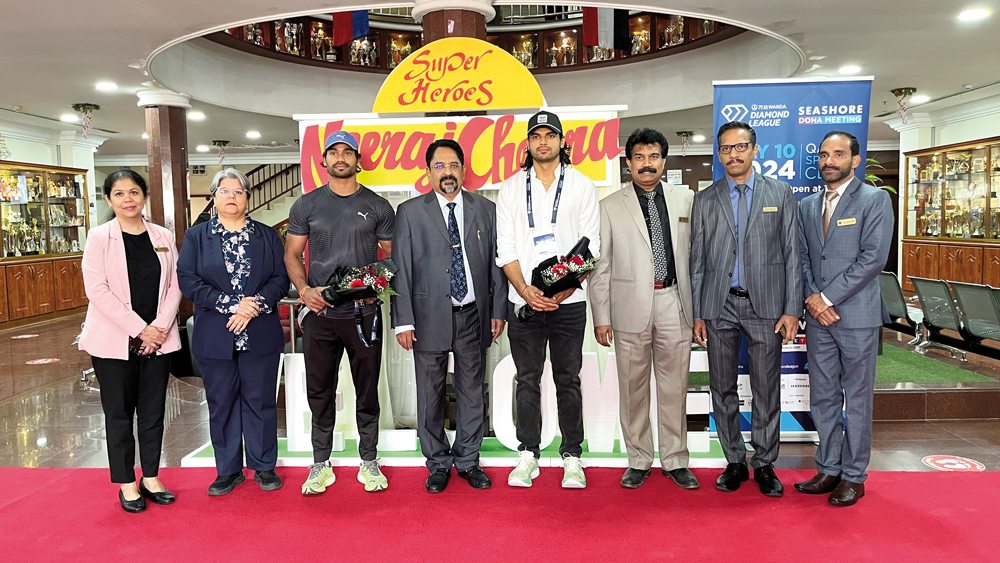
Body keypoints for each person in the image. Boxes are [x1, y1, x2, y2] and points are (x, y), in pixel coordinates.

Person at [690, 121, 802, 497]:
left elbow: (792, 255)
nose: (733, 154)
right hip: (720, 305)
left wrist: (791, 308)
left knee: (766, 387)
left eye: (740, 147)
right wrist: (699, 312)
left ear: (755, 149)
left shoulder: (781, 193)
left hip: (767, 307)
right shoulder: (706, 199)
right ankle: (734, 460)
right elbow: (698, 261)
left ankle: (766, 463)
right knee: (721, 387)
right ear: (718, 154)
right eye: (725, 149)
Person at [391, 139, 508, 493]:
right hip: (427, 317)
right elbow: (402, 269)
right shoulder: (410, 212)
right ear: (428, 172)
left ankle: (469, 461)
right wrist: (404, 320)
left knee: (473, 390)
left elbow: (496, 266)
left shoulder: (485, 210)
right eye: (440, 166)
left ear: (463, 170)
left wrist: (498, 309)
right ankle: (438, 463)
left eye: (454, 165)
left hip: (473, 315)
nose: (448, 172)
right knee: (430, 395)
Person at [284, 131, 395, 493]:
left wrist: (371, 285)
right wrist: (304, 290)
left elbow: (394, 258)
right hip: (320, 315)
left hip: (364, 316)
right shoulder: (307, 205)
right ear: (324, 161)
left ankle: (369, 460)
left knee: (367, 389)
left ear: (358, 160)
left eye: (348, 152)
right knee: (320, 390)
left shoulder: (378, 206)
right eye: (334, 152)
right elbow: (292, 254)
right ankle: (320, 464)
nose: (341, 158)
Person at [589, 128, 699, 490]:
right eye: (639, 158)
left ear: (664, 161)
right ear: (628, 163)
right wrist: (601, 316)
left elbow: (696, 259)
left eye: (653, 157)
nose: (647, 164)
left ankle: (675, 459)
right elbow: (600, 267)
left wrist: (698, 311)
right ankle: (638, 459)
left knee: (674, 387)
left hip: (674, 303)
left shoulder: (686, 200)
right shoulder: (609, 205)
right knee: (632, 388)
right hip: (628, 308)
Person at [496, 110, 601, 488]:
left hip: (568, 305)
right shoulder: (510, 188)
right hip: (523, 300)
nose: (543, 142)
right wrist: (525, 290)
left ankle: (572, 455)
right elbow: (504, 246)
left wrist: (563, 290)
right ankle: (528, 453)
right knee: (527, 379)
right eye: (536, 136)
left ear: (561, 142)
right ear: (527, 144)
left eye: (550, 135)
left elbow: (591, 247)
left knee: (568, 379)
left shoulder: (581, 185)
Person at [794, 131, 893, 507]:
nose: (828, 161)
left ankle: (854, 476)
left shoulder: (874, 200)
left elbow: (872, 259)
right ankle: (829, 468)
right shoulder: (806, 206)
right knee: (822, 397)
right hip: (819, 319)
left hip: (856, 317)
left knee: (857, 398)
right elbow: (801, 258)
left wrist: (826, 297)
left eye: (838, 154)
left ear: (855, 160)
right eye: (823, 155)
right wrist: (811, 298)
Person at [177, 168, 290, 496]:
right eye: (224, 191)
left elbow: (280, 279)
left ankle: (264, 466)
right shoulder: (197, 236)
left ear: (247, 198)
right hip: (217, 333)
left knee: (261, 401)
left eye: (238, 191)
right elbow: (188, 279)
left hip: (260, 331)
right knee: (222, 402)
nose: (231, 196)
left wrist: (253, 305)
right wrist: (230, 304)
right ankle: (228, 470)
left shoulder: (267, 235)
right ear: (214, 197)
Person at [79, 168, 182, 513]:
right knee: (119, 413)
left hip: (159, 339)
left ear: (145, 196)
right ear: (108, 199)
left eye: (134, 192)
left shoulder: (162, 236)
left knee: (153, 412)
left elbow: (175, 286)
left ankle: (151, 476)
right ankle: (126, 482)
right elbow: (97, 291)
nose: (128, 199)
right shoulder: (99, 237)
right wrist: (141, 329)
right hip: (114, 341)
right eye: (119, 194)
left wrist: (160, 327)